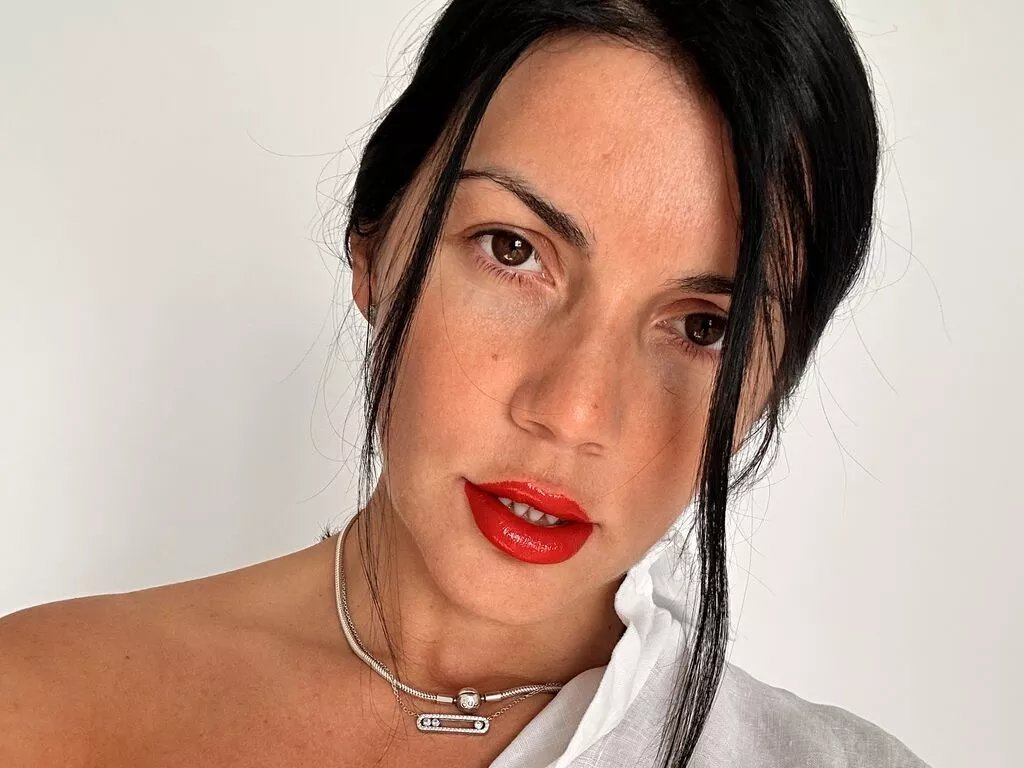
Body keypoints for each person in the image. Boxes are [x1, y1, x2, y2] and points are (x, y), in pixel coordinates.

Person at [0, 1, 932, 766]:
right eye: (513, 249)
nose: (572, 412)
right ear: (373, 246)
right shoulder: (39, 703)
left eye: (704, 327)